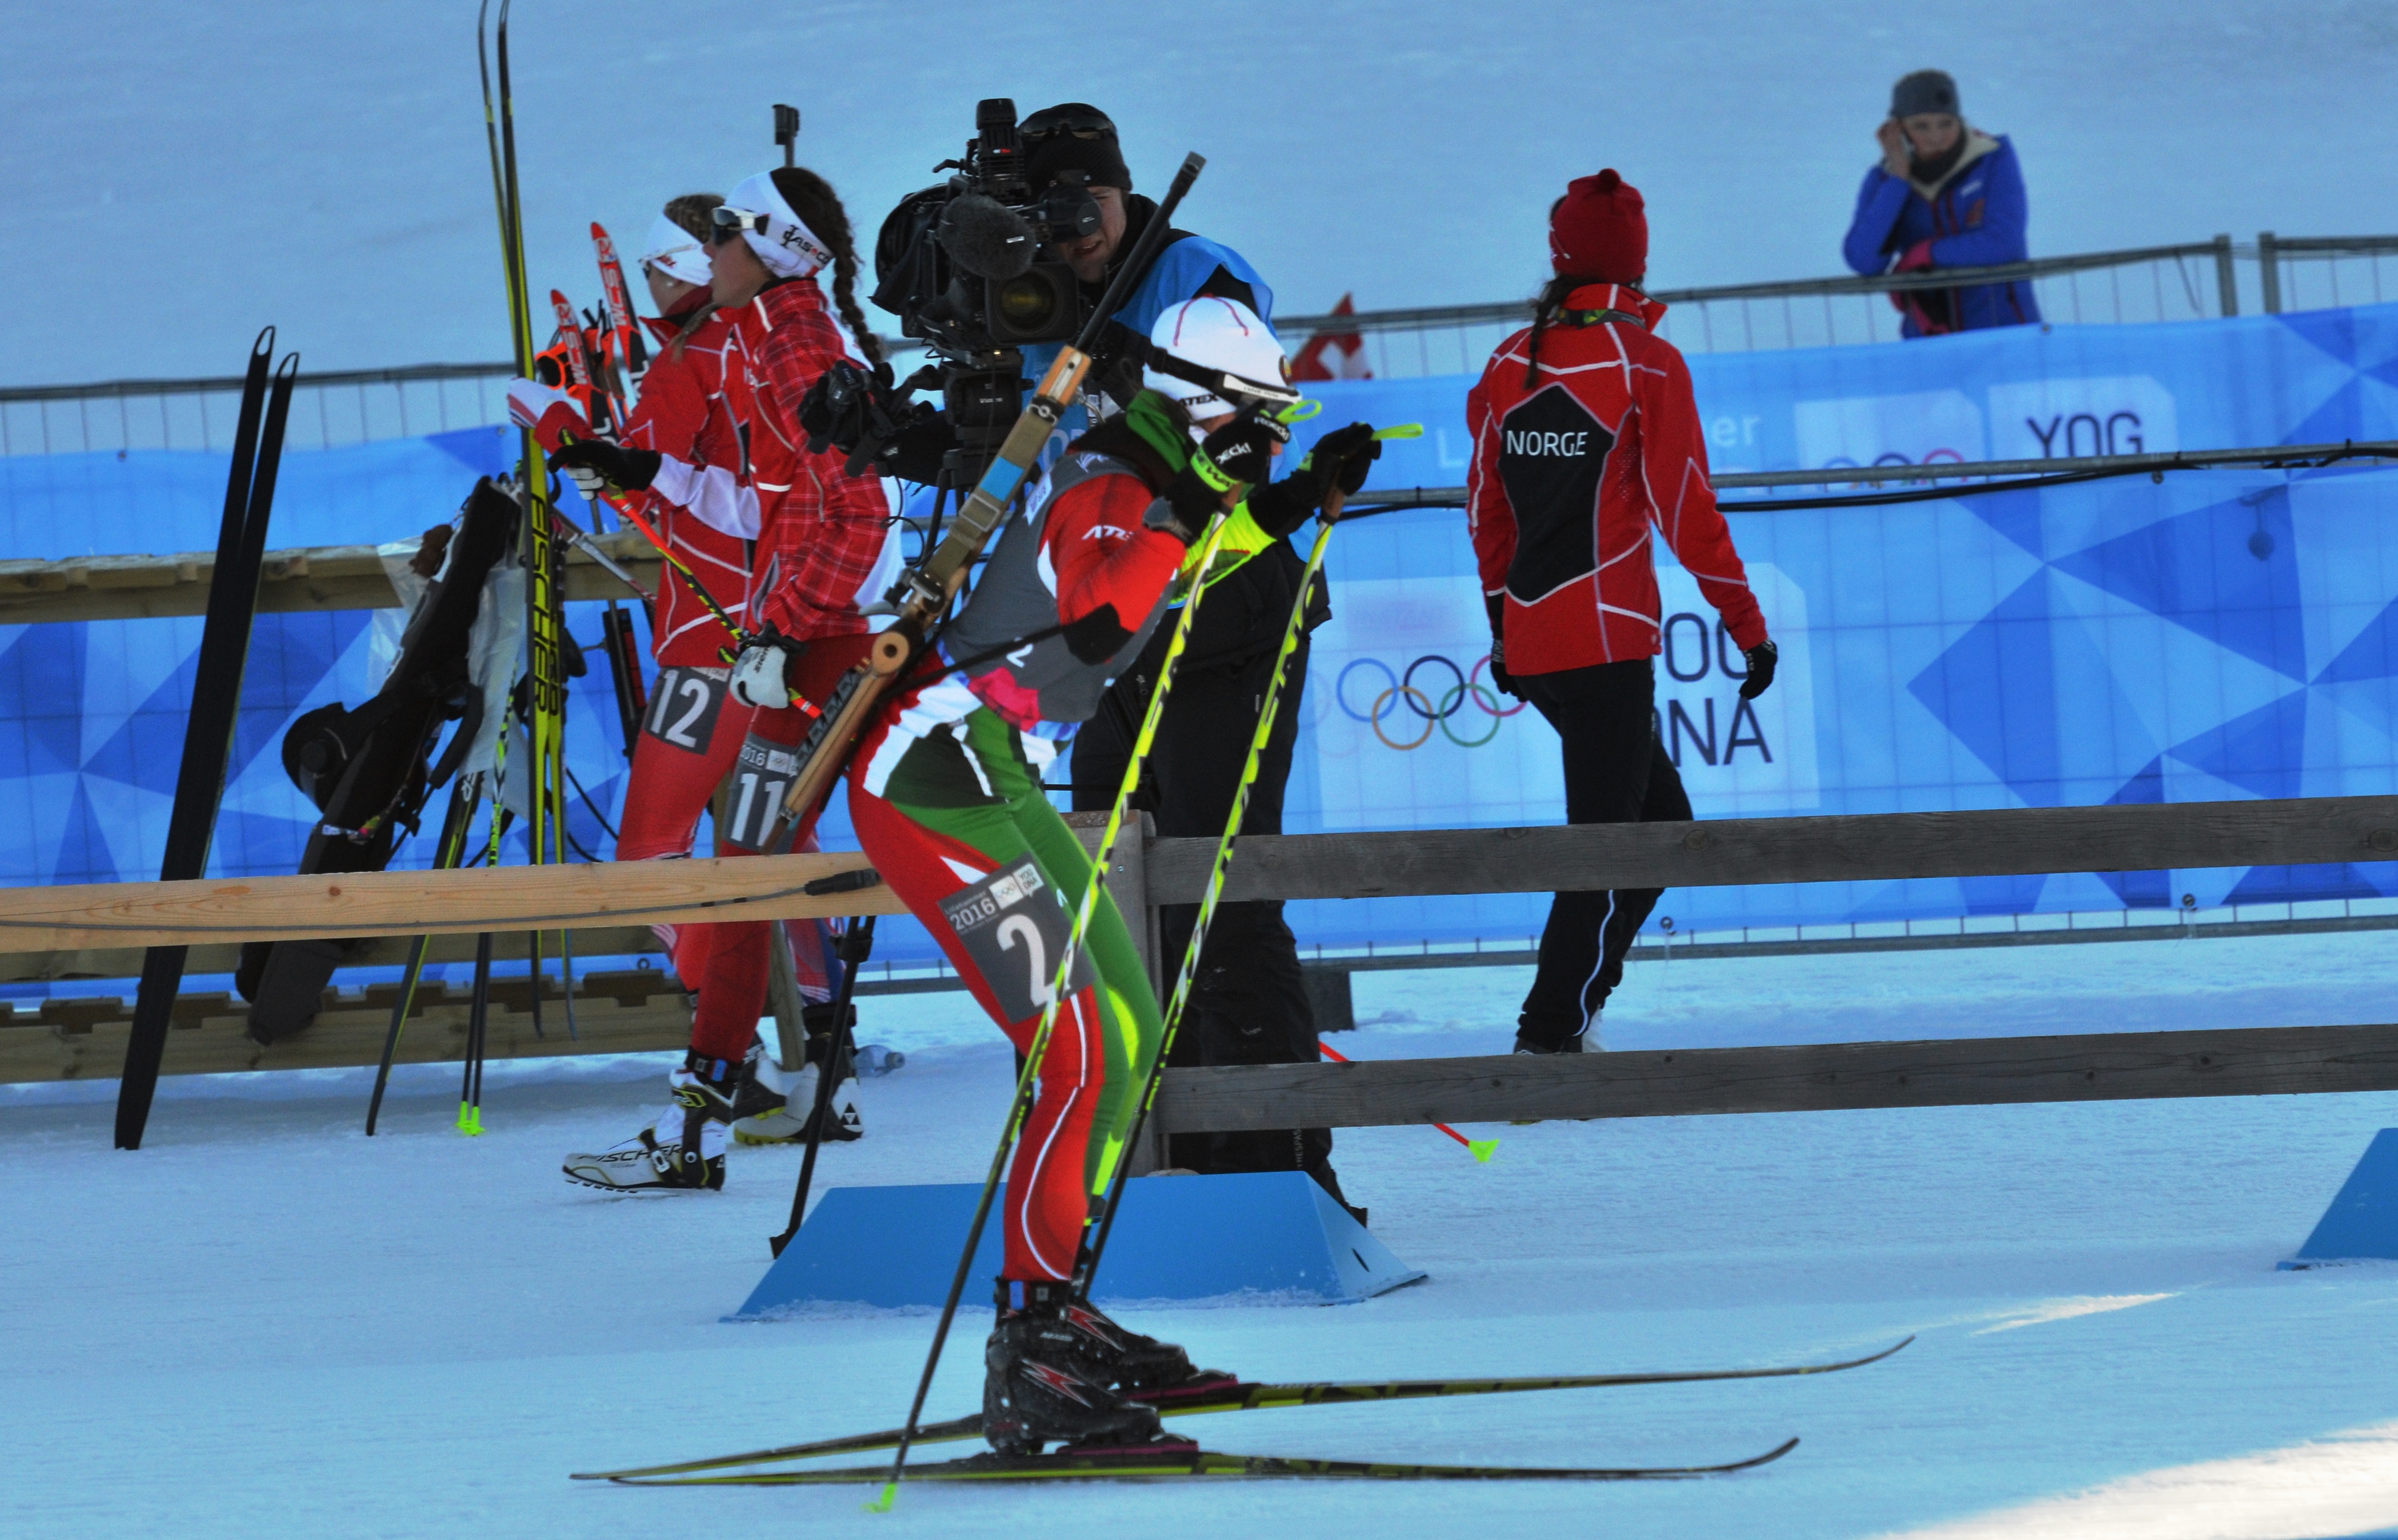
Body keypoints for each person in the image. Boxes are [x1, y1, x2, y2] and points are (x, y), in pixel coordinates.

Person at [842, 299, 1377, 1453]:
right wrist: (1191, 502)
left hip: (987, 765)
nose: (1269, 441)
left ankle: (1059, 1304)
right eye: (1262, 423)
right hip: (926, 778)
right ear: (1203, 408)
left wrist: (1293, 498)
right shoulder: (1107, 477)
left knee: (1125, 1024)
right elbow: (1099, 621)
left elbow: (1182, 571)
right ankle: (1029, 1336)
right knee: (1076, 1047)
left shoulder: (1152, 473)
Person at [535, 167, 896, 1192]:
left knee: (727, 865)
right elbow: (763, 506)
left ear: (766, 248)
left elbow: (861, 510)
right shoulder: (767, 329)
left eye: (726, 232)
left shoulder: (789, 337)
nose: (708, 251)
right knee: (746, 871)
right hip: (790, 636)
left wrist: (788, 627)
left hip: (805, 643)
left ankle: (755, 1098)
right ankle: (744, 1102)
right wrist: (644, 471)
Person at [1466, 169, 1777, 1055]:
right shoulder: (1647, 362)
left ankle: (1575, 1012)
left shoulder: (1508, 361)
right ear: (1637, 265)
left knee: (1660, 831)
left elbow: (1486, 509)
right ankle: (1548, 1038)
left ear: (1559, 258)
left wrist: (1502, 624)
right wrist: (1747, 626)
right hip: (1606, 644)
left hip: (1537, 640)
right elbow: (1686, 510)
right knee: (1609, 850)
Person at [1842, 70, 2039, 337]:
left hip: (2008, 336)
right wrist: (1898, 181)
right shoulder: (1883, 181)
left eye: (1946, 123)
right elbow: (1863, 261)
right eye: (1921, 126)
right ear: (1897, 130)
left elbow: (2003, 242)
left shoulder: (1993, 159)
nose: (1936, 138)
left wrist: (1924, 254)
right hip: (1929, 344)